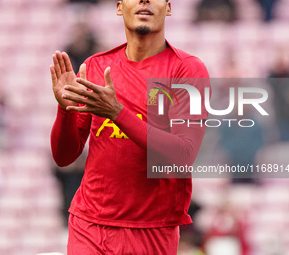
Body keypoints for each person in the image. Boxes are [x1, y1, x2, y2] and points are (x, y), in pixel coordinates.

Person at [50, 0, 210, 254]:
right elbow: (64, 156)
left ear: (168, 8)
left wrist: (116, 112)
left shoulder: (187, 69)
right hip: (89, 225)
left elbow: (183, 155)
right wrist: (65, 109)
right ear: (119, 7)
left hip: (152, 230)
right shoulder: (96, 66)